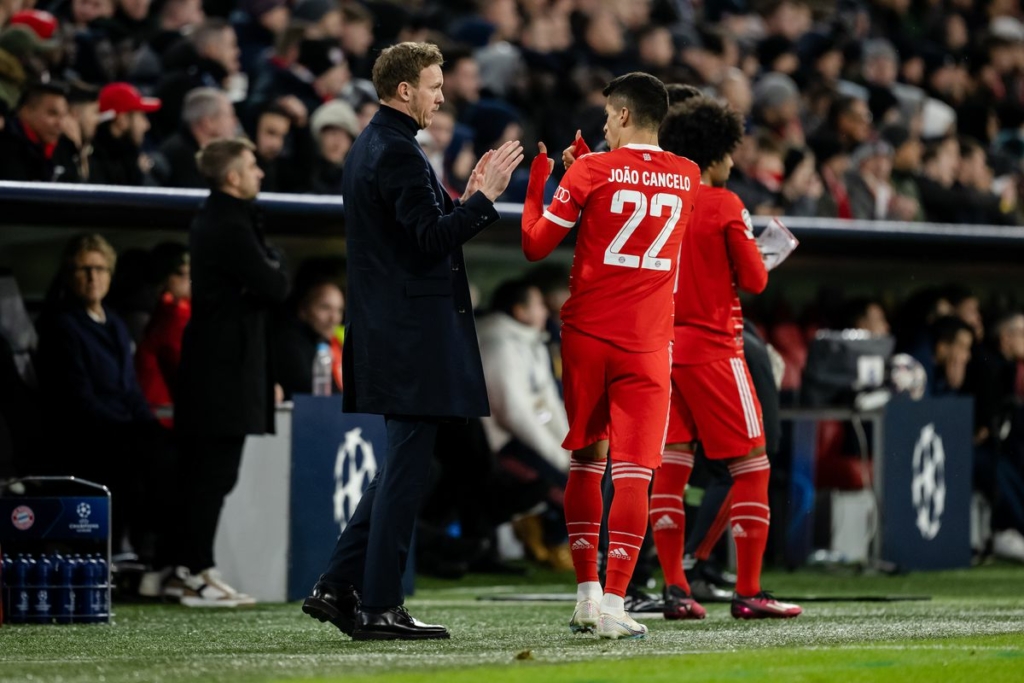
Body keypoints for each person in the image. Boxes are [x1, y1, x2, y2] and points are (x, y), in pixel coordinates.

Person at [300, 41, 523, 641]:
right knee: (406, 474)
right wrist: (482, 201)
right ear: (405, 91)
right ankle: (379, 605)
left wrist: (461, 196)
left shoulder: (376, 145)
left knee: (402, 469)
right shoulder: (395, 151)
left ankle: (336, 585)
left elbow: (413, 231)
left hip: (394, 333)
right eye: (433, 85)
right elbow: (428, 241)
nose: (441, 94)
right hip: (411, 338)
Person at [521, 72, 700, 640]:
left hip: (587, 337)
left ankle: (587, 595)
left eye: (606, 117)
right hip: (648, 344)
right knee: (634, 474)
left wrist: (545, 180)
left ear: (622, 116)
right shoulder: (689, 175)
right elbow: (640, 197)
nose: (602, 127)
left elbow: (534, 244)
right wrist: (588, 169)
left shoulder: (590, 170)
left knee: (587, 460)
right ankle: (617, 604)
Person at [651, 97, 801, 620]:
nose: (733, 164)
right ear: (716, 154)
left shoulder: (661, 199)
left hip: (662, 349)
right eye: (730, 153)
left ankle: (676, 590)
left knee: (670, 469)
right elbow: (755, 281)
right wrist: (757, 256)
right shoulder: (723, 204)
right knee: (752, 464)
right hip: (714, 348)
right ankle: (750, 592)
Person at [161, 138, 287, 606]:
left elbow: (266, 284)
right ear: (232, 176)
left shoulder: (218, 219)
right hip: (222, 369)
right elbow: (274, 284)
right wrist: (273, 267)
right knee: (211, 474)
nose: (260, 173)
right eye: (252, 166)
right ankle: (192, 570)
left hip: (217, 363)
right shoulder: (230, 224)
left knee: (203, 473)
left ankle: (179, 567)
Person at [34, 234, 175, 563]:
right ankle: (125, 545)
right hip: (84, 431)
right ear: (69, 275)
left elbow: (131, 389)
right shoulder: (61, 325)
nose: (93, 276)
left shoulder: (115, 323)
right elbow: (78, 398)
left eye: (100, 268)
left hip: (123, 425)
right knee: (138, 455)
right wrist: (133, 429)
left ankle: (160, 554)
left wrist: (148, 426)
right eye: (83, 269)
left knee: (168, 449)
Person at [135, 242, 191, 428]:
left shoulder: (168, 312)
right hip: (162, 420)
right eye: (182, 273)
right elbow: (188, 372)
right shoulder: (172, 314)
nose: (190, 279)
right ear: (164, 278)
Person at [273, 277, 344, 399]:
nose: (334, 318)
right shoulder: (290, 343)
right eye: (325, 307)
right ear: (303, 310)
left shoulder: (334, 343)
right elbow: (308, 389)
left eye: (339, 310)